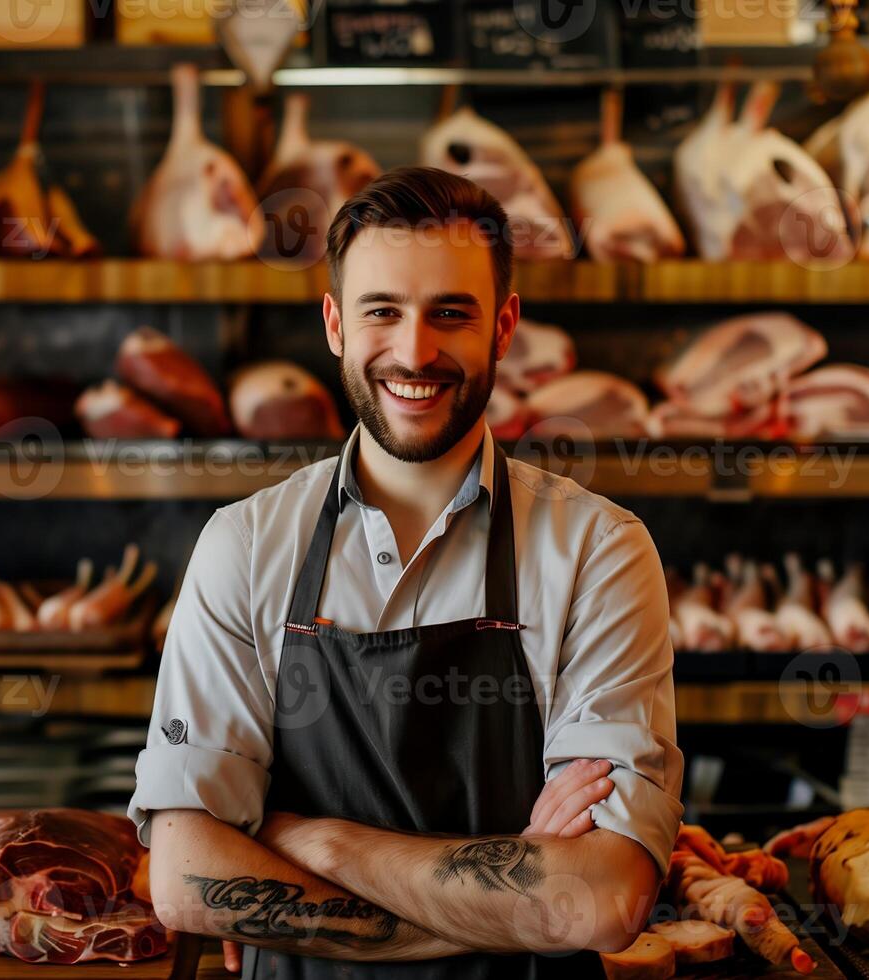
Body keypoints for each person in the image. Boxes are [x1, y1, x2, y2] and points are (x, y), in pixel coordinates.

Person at [128, 166, 683, 978]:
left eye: (450, 314)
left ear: (503, 326)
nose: (414, 351)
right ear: (335, 325)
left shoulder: (599, 551)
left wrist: (310, 838)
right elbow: (186, 881)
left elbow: (604, 901)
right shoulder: (245, 546)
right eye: (382, 311)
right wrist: (515, 906)